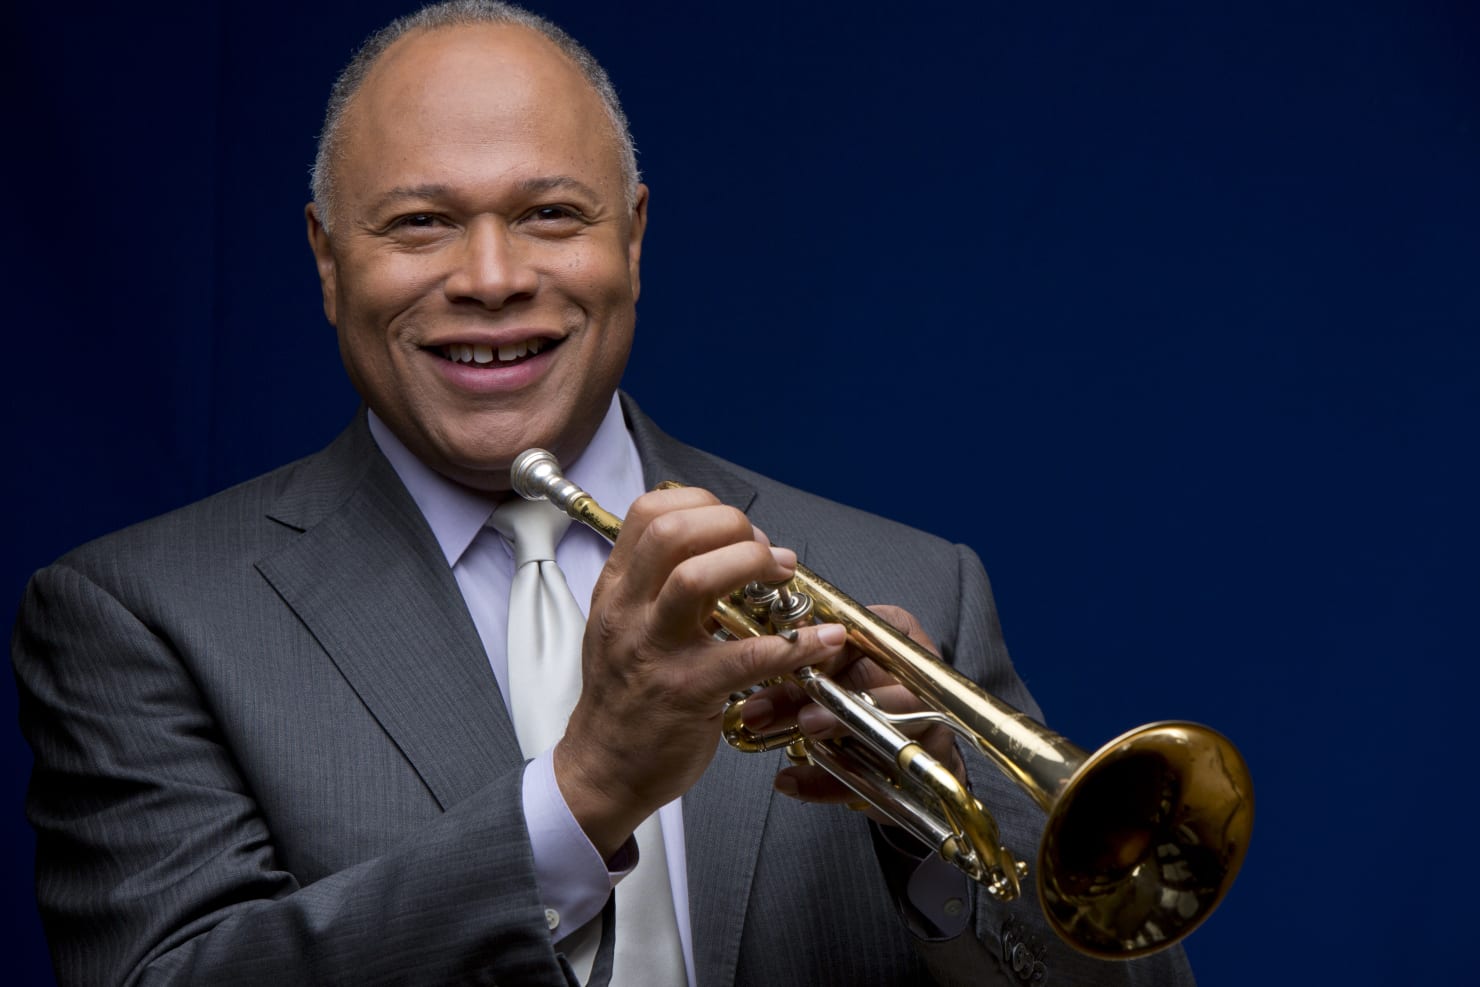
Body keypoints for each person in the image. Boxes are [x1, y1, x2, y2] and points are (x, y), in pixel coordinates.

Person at [12, 3, 1198, 985]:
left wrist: (927, 841)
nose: (491, 278)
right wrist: (582, 796)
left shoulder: (909, 578)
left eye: (549, 215)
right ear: (329, 262)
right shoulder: (139, 614)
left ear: (630, 238)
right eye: (421, 224)